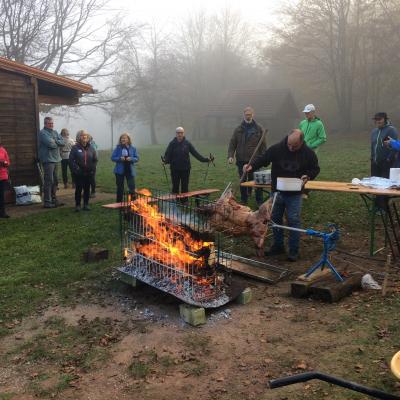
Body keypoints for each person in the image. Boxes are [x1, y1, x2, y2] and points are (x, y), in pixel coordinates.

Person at [244, 129, 320, 262]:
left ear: (301, 142)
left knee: (293, 220)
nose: (290, 148)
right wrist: (252, 166)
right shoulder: (278, 148)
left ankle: (293, 250)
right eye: (289, 145)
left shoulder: (308, 153)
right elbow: (264, 159)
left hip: (295, 194)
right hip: (277, 192)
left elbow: (315, 168)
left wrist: (308, 176)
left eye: (294, 146)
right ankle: (278, 246)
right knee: (275, 220)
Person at [228, 107, 266, 205]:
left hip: (255, 161)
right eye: (246, 114)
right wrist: (230, 156)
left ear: (253, 115)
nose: (248, 116)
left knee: (257, 181)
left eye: (249, 114)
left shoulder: (259, 129)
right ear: (243, 115)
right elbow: (232, 143)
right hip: (241, 160)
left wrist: (263, 159)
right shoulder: (238, 129)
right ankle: (244, 200)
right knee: (243, 181)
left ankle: (259, 201)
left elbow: (263, 146)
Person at [163, 127, 212, 195]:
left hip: (185, 169)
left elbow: (195, 154)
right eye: (178, 133)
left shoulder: (187, 143)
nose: (180, 134)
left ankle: (184, 202)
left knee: (185, 187)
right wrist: (165, 161)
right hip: (174, 169)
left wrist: (205, 160)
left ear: (183, 133)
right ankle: (175, 202)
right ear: (176, 134)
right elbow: (167, 155)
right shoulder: (172, 144)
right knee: (175, 186)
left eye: (181, 133)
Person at [38, 116, 65, 208]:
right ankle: (47, 202)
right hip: (48, 160)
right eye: (50, 124)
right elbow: (50, 144)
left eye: (52, 123)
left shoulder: (55, 132)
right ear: (45, 124)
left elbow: (63, 142)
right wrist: (57, 142)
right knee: (49, 180)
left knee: (55, 181)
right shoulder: (42, 133)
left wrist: (55, 141)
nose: (52, 125)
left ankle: (54, 199)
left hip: (56, 159)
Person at [69, 130, 98, 211]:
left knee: (87, 189)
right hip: (79, 173)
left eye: (86, 135)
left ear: (88, 137)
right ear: (79, 137)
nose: (84, 136)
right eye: (82, 135)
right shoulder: (75, 148)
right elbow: (71, 160)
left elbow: (95, 160)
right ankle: (77, 205)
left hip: (89, 173)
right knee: (78, 189)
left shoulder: (91, 148)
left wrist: (92, 168)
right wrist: (76, 169)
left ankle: (86, 204)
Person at [111, 133, 139, 202]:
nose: (123, 139)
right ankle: (119, 203)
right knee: (120, 188)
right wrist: (120, 158)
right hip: (119, 171)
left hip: (130, 170)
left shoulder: (133, 148)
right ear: (120, 140)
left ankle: (133, 203)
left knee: (132, 187)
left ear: (128, 139)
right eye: (122, 138)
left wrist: (131, 159)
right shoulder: (117, 148)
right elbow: (112, 158)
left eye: (125, 138)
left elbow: (137, 158)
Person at [371, 112, 398, 178]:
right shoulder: (374, 131)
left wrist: (388, 159)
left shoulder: (391, 130)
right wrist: (372, 158)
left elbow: (394, 147)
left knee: (385, 185)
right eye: (376, 119)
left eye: (379, 119)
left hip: (386, 163)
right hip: (375, 163)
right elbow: (373, 145)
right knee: (374, 184)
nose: (377, 121)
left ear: (385, 119)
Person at [0, 140, 10, 218]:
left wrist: (5, 163)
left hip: (3, 175)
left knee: (2, 195)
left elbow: (8, 162)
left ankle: (2, 213)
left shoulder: (3, 150)